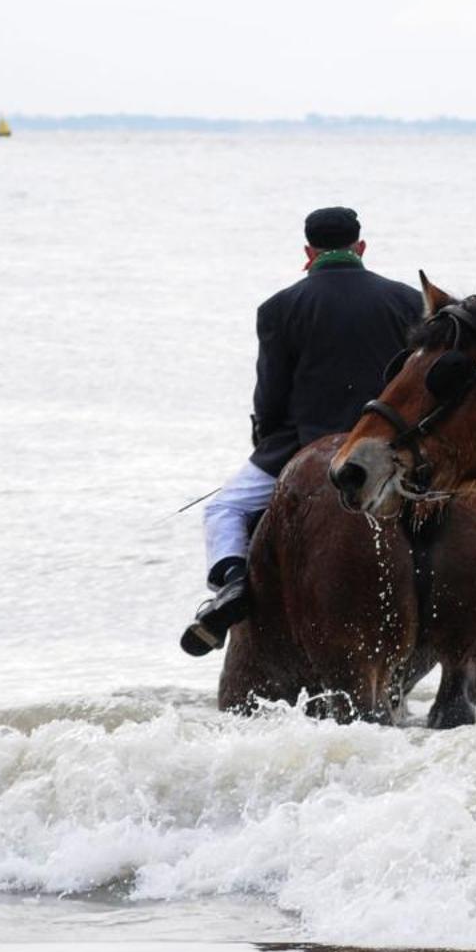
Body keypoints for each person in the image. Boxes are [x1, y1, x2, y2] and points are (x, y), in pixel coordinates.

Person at [181, 207, 422, 656]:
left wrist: (266, 440)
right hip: (394, 448)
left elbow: (270, 394)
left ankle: (233, 587)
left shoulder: (279, 307)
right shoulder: (408, 301)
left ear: (308, 252)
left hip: (304, 441)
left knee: (224, 510)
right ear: (360, 247)